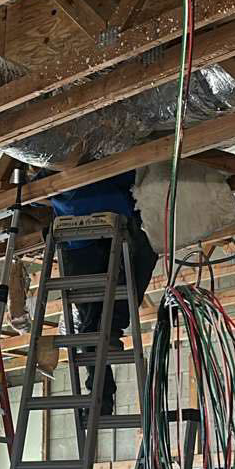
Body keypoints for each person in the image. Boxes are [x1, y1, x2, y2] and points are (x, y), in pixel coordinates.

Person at [49, 171, 157, 417]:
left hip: (78, 240)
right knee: (144, 254)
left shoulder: (58, 168)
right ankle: (112, 330)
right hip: (107, 227)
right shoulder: (110, 163)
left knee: (91, 324)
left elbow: (37, 192)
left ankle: (101, 396)